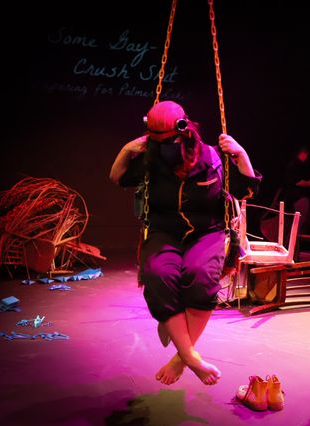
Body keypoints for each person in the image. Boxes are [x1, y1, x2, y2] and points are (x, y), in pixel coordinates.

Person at [109, 100, 261, 386]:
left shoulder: (212, 158)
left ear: (184, 131)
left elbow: (248, 189)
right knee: (158, 275)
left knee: (201, 276)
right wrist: (127, 149)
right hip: (163, 232)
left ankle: (181, 357)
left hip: (208, 232)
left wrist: (241, 155)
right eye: (156, 141)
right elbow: (117, 177)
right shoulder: (151, 157)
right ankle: (191, 357)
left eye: (166, 141)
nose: (162, 147)